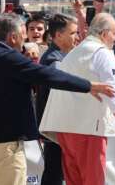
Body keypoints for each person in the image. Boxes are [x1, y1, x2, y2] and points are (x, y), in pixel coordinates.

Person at [0, 13, 114, 185]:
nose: (25, 39)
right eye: (23, 34)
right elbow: (46, 74)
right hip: (6, 143)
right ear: (13, 37)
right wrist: (88, 86)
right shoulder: (7, 57)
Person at [39, 13, 115, 185]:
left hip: (66, 129)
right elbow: (112, 94)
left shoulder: (75, 52)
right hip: (88, 130)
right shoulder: (103, 53)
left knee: (75, 181)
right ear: (104, 34)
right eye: (114, 34)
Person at [35, 13, 79, 185]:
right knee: (55, 174)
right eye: (73, 33)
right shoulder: (54, 60)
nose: (77, 37)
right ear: (58, 35)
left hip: (58, 128)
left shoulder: (61, 57)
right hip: (56, 130)